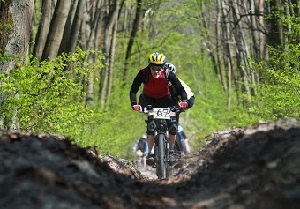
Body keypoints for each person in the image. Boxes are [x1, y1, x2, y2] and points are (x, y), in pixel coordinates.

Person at [130, 52, 188, 165]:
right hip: (148, 99)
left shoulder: (168, 73)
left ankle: (171, 151)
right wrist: (134, 103)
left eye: (159, 68)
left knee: (172, 125)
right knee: (151, 125)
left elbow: (180, 88)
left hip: (166, 100)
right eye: (154, 68)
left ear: (163, 67)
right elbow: (134, 89)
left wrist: (184, 101)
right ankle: (151, 153)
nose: (156, 71)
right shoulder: (143, 73)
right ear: (149, 66)